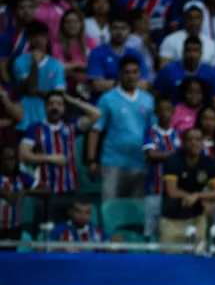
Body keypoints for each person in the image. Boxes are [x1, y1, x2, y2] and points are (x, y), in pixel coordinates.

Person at [20, 91, 100, 221]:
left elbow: (96, 114)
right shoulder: (35, 128)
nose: (55, 107)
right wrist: (49, 158)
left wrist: (72, 100)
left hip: (69, 191)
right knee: (45, 232)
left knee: (65, 233)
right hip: (45, 191)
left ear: (64, 107)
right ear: (45, 108)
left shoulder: (71, 127)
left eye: (59, 104)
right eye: (51, 104)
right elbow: (23, 154)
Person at [87, 56, 155, 203]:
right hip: (113, 163)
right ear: (119, 74)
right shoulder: (107, 99)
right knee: (110, 206)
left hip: (140, 164)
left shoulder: (148, 100)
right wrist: (92, 160)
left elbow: (153, 131)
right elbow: (95, 131)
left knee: (136, 210)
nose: (130, 76)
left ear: (139, 74)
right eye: (126, 72)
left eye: (134, 72)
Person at [161, 126, 215, 244]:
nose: (194, 143)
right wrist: (198, 198)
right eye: (190, 140)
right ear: (183, 142)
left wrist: (197, 196)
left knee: (197, 259)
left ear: (203, 142)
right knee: (170, 260)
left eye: (198, 140)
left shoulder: (210, 162)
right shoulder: (172, 161)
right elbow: (172, 191)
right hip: (172, 220)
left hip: (197, 219)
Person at [13, 20, 66, 131]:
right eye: (34, 36)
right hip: (25, 119)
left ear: (47, 38)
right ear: (29, 39)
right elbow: (30, 87)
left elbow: (59, 95)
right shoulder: (19, 62)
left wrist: (36, 92)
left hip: (47, 119)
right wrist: (35, 65)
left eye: (42, 36)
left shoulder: (56, 65)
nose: (38, 39)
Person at [143, 96, 181, 240]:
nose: (165, 113)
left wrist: (164, 155)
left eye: (168, 110)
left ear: (173, 112)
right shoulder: (150, 132)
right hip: (154, 187)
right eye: (161, 110)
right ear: (156, 112)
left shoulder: (179, 134)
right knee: (150, 227)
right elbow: (151, 154)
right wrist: (176, 156)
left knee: (169, 227)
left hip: (174, 191)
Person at [0, 145, 35, 240]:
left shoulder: (21, 176)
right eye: (6, 159)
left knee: (11, 252)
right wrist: (3, 193)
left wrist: (25, 192)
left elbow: (46, 190)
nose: (10, 163)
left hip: (15, 227)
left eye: (13, 159)